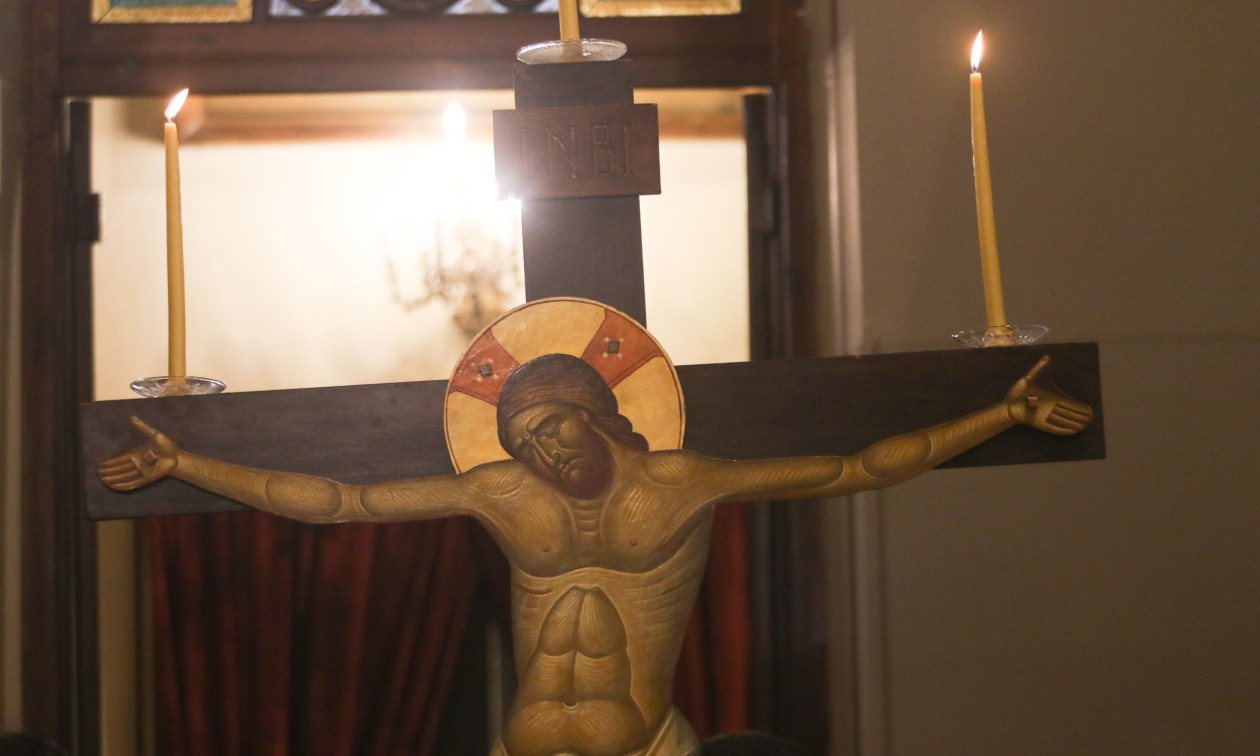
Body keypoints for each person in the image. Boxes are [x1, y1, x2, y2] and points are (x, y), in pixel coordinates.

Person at [99, 352, 1090, 756]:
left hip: (645, 744)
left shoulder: (684, 481)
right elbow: (338, 503)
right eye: (523, 441)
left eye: (553, 429)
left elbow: (854, 468)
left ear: (600, 414)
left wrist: (999, 413)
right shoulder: (500, 492)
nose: (543, 453)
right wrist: (187, 461)